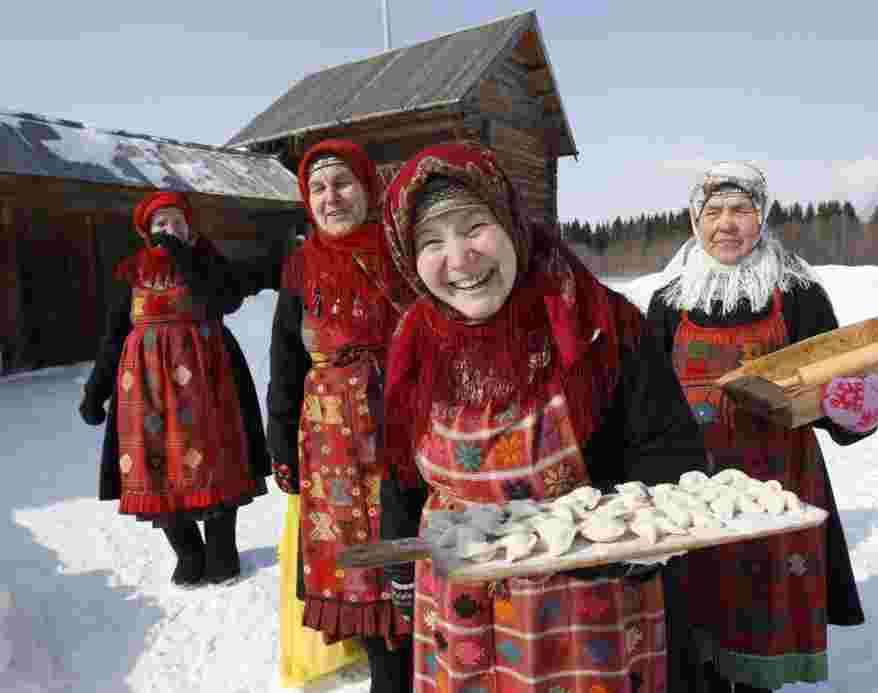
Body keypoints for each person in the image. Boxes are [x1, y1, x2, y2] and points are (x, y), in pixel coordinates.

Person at [378, 143, 709, 693]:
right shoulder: (412, 345)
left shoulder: (598, 324)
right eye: (430, 242)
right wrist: (399, 574)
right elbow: (399, 472)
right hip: (458, 605)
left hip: (584, 605)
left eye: (475, 227)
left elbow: (668, 452)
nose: (459, 258)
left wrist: (619, 550)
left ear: (511, 223)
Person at [646, 162, 878, 692]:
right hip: (694, 496)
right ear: (694, 220)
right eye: (713, 211)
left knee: (760, 627)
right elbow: (648, 407)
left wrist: (855, 411)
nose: (726, 223)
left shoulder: (798, 294)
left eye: (741, 209)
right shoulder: (668, 302)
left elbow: (832, 393)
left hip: (781, 492)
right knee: (694, 632)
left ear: (762, 217)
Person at [267, 139, 416, 691]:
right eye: (318, 188)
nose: (332, 198)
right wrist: (280, 446)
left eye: (343, 183)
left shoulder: (402, 254)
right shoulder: (300, 270)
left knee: (411, 554)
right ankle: (385, 671)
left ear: (367, 188)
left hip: (400, 426)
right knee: (355, 566)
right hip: (329, 446)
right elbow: (284, 364)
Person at [78, 191, 270, 586]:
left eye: (177, 224)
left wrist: (185, 256)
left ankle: (221, 551)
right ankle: (188, 552)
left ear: (190, 229)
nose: (169, 231)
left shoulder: (205, 261)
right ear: (146, 233)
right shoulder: (131, 272)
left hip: (207, 379)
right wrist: (95, 391)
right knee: (156, 467)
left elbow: (227, 298)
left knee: (216, 459)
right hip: (145, 388)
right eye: (160, 225)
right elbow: (114, 334)